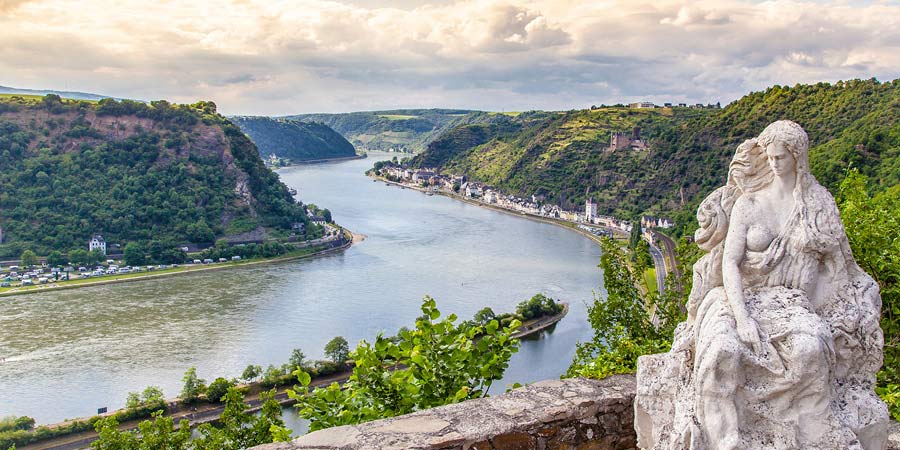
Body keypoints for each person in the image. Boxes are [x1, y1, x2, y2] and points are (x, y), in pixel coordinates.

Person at [636, 121, 888, 450]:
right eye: (768, 157)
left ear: (797, 158)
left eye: (780, 158)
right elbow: (729, 263)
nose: (773, 164)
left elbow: (839, 269)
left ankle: (798, 432)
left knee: (810, 350)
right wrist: (742, 318)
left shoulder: (817, 206)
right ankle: (726, 440)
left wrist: (827, 312)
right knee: (722, 352)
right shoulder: (749, 204)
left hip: (791, 304)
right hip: (737, 298)